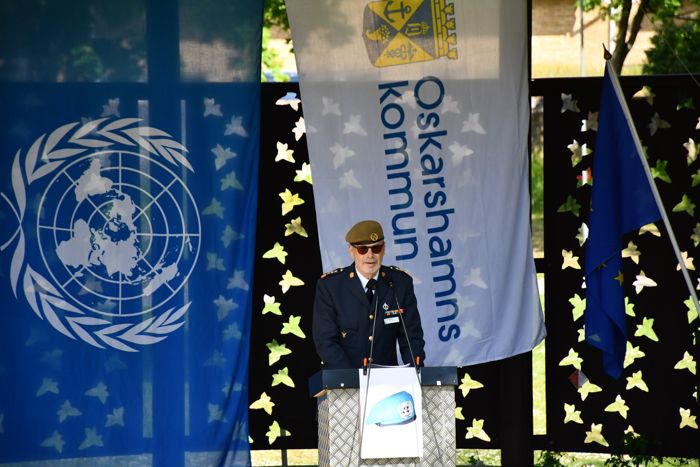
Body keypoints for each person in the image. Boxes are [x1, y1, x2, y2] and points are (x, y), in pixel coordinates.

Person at [312, 220, 426, 369]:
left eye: (376, 248)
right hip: (346, 381)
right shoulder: (331, 286)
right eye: (363, 249)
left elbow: (412, 338)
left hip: (388, 381)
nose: (370, 255)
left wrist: (416, 375)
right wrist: (353, 381)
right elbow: (325, 341)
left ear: (384, 249)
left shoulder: (400, 283)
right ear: (351, 251)